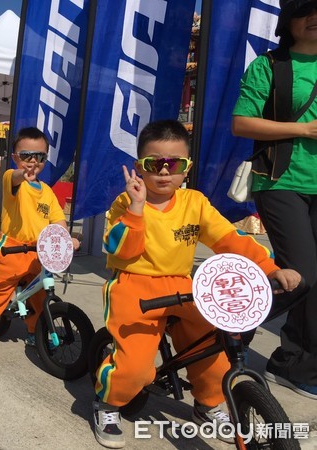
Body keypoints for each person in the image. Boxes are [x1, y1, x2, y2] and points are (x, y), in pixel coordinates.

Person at [93, 120, 301, 448]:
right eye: (154, 164)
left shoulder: (195, 203)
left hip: (182, 285)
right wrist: (135, 209)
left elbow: (229, 239)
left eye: (173, 164)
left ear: (186, 167)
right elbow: (119, 248)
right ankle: (107, 403)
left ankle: (206, 404)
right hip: (134, 286)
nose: (164, 172)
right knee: (134, 367)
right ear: (139, 167)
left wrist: (270, 268)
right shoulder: (126, 203)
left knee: (213, 344)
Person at [231, 0, 317, 400]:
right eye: (306, 9)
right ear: (289, 19)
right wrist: (304, 130)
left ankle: (295, 363)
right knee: (304, 275)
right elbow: (241, 122)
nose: (314, 18)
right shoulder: (269, 65)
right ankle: (230, 326)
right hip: (281, 181)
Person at [0, 127, 80, 362]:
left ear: (45, 159)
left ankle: (34, 331)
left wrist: (66, 239)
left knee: (40, 295)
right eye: (26, 156)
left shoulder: (47, 192)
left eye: (39, 157)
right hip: (11, 249)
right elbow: (16, 177)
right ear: (15, 158)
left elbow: (57, 220)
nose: (32, 162)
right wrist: (21, 174)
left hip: (37, 252)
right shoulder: (12, 178)